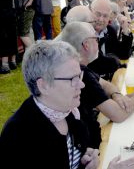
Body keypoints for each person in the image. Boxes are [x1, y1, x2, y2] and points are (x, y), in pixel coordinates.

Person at [0, 40, 100, 168]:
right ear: (44, 85)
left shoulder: (69, 109)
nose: (81, 84)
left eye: (79, 76)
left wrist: (85, 159)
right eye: (72, 79)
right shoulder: (19, 135)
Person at [59, 21, 134, 149]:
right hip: (88, 149)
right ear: (86, 45)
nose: (98, 42)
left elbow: (106, 85)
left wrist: (116, 95)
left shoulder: (78, 66)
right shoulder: (81, 75)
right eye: (95, 39)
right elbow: (118, 115)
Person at [0, 0, 18, 74]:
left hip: (1, 14)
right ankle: (13, 62)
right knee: (12, 37)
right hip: (10, 12)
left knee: (3, 39)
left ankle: (4, 65)